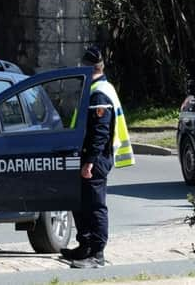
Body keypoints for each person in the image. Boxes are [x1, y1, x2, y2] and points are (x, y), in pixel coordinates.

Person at [61, 46, 135, 269]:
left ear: (88, 68)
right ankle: (84, 246)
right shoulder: (96, 88)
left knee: (95, 206)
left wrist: (90, 162)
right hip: (88, 157)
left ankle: (97, 253)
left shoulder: (99, 92)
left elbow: (100, 131)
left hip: (96, 159)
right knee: (81, 202)